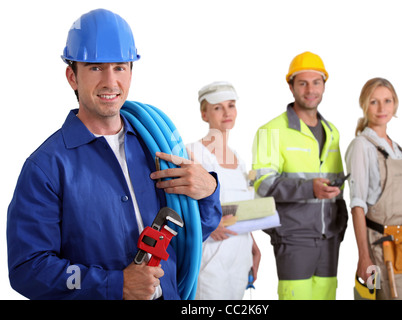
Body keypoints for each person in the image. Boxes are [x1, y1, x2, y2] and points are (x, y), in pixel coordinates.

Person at [6, 9, 221, 300]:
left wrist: (209, 191)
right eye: (96, 68)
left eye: (120, 67)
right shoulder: (46, 167)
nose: (110, 81)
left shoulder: (155, 147)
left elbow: (189, 238)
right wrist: (113, 284)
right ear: (72, 76)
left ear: (131, 71)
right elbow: (29, 270)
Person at [252, 52, 348, 300]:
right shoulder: (270, 131)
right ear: (291, 86)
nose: (310, 89)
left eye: (316, 82)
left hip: (329, 238)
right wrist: (309, 188)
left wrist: (341, 225)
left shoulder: (333, 132)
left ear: (324, 85)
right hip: (294, 238)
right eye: (302, 83)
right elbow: (262, 185)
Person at [345, 78, 402, 300]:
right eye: (374, 102)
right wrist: (364, 258)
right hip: (380, 250)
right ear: (364, 105)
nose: (381, 108)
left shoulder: (398, 149)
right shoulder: (362, 146)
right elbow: (357, 205)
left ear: (395, 104)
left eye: (387, 101)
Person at [186, 81, 261, 300]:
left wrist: (253, 246)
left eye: (231, 105)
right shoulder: (193, 154)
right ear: (204, 113)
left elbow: (241, 211)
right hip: (210, 258)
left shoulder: (239, 160)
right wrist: (209, 223)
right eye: (218, 107)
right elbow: (178, 206)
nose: (227, 112)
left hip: (239, 256)